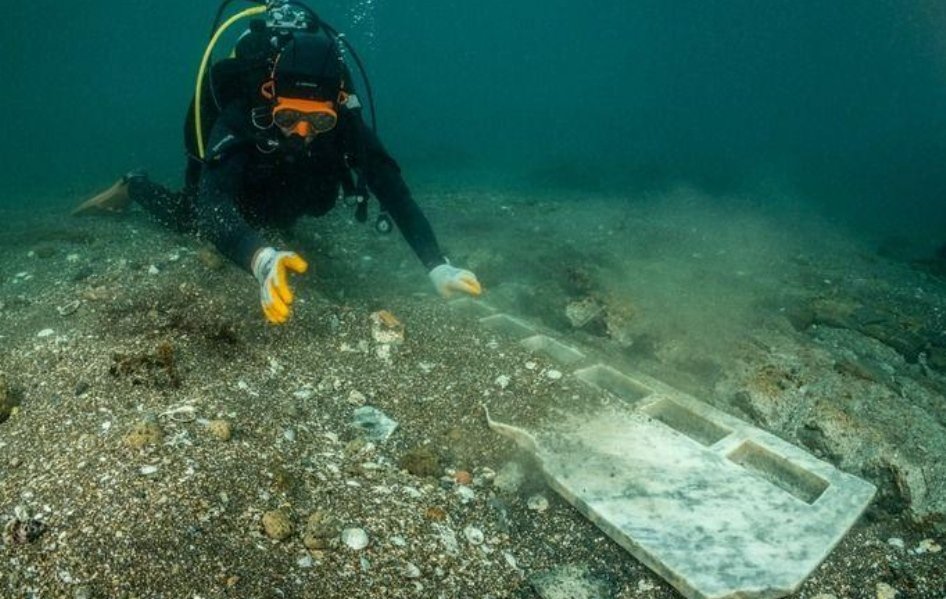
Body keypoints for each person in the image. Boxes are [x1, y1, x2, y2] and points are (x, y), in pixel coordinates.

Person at [73, 18, 481, 324]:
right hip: (241, 181)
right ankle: (134, 184)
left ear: (336, 106)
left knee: (285, 213)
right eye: (288, 117)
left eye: (318, 122)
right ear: (270, 96)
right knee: (190, 217)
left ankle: (266, 225)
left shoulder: (347, 124)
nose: (303, 133)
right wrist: (260, 259)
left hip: (284, 190)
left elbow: (394, 191)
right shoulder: (240, 114)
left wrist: (435, 263)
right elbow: (214, 204)